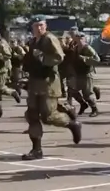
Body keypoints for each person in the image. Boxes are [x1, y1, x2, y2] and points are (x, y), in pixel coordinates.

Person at [21, 16, 82, 160]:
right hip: (35, 81)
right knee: (32, 115)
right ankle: (37, 149)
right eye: (36, 25)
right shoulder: (33, 41)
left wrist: (42, 57)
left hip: (48, 82)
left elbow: (59, 57)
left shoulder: (49, 39)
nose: (39, 28)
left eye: (41, 25)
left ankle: (72, 124)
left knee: (49, 116)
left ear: (45, 26)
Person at [70, 32, 100, 116]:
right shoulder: (75, 48)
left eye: (81, 38)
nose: (79, 40)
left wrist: (85, 58)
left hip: (86, 74)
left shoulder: (88, 48)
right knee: (73, 91)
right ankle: (83, 104)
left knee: (87, 94)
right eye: (77, 38)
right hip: (78, 73)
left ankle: (95, 109)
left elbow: (97, 60)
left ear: (84, 39)